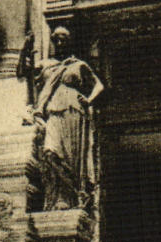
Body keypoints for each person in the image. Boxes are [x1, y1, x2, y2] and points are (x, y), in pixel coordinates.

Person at [25, 27, 104, 212]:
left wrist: (89, 99)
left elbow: (99, 85)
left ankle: (68, 198)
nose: (60, 44)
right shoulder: (46, 65)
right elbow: (25, 72)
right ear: (53, 42)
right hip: (53, 109)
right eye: (57, 40)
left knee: (70, 156)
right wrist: (25, 50)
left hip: (73, 110)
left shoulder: (78, 65)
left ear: (69, 43)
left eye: (64, 40)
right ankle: (55, 195)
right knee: (50, 151)